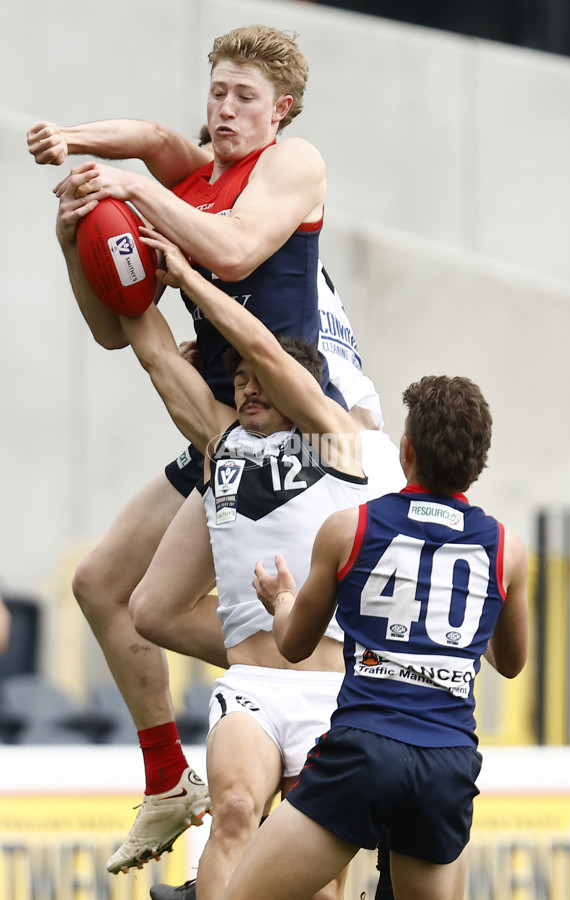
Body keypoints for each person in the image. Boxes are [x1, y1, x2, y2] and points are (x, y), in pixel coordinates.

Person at [26, 24, 392, 874]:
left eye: (244, 98)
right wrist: (80, 235)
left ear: (282, 112)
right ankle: (167, 779)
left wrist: (123, 183)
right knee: (118, 595)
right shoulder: (195, 181)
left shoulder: (292, 165)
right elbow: (122, 332)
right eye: (217, 93)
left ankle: (317, 670)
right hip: (227, 423)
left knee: (178, 621)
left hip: (296, 419)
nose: (224, 110)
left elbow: (229, 249)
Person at [111, 225, 402, 900]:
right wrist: (106, 261)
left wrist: (191, 280)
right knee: (236, 811)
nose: (245, 390)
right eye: (236, 380)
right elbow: (156, 355)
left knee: (320, 875)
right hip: (253, 688)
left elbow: (269, 350)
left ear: (296, 387)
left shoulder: (341, 445)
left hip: (331, 693)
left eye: (259, 382)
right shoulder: (220, 441)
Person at [221, 374, 529, 900]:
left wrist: (281, 601)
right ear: (478, 464)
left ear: (406, 450)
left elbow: (293, 645)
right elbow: (512, 661)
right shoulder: (507, 550)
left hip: (362, 754)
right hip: (445, 765)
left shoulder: (350, 528)